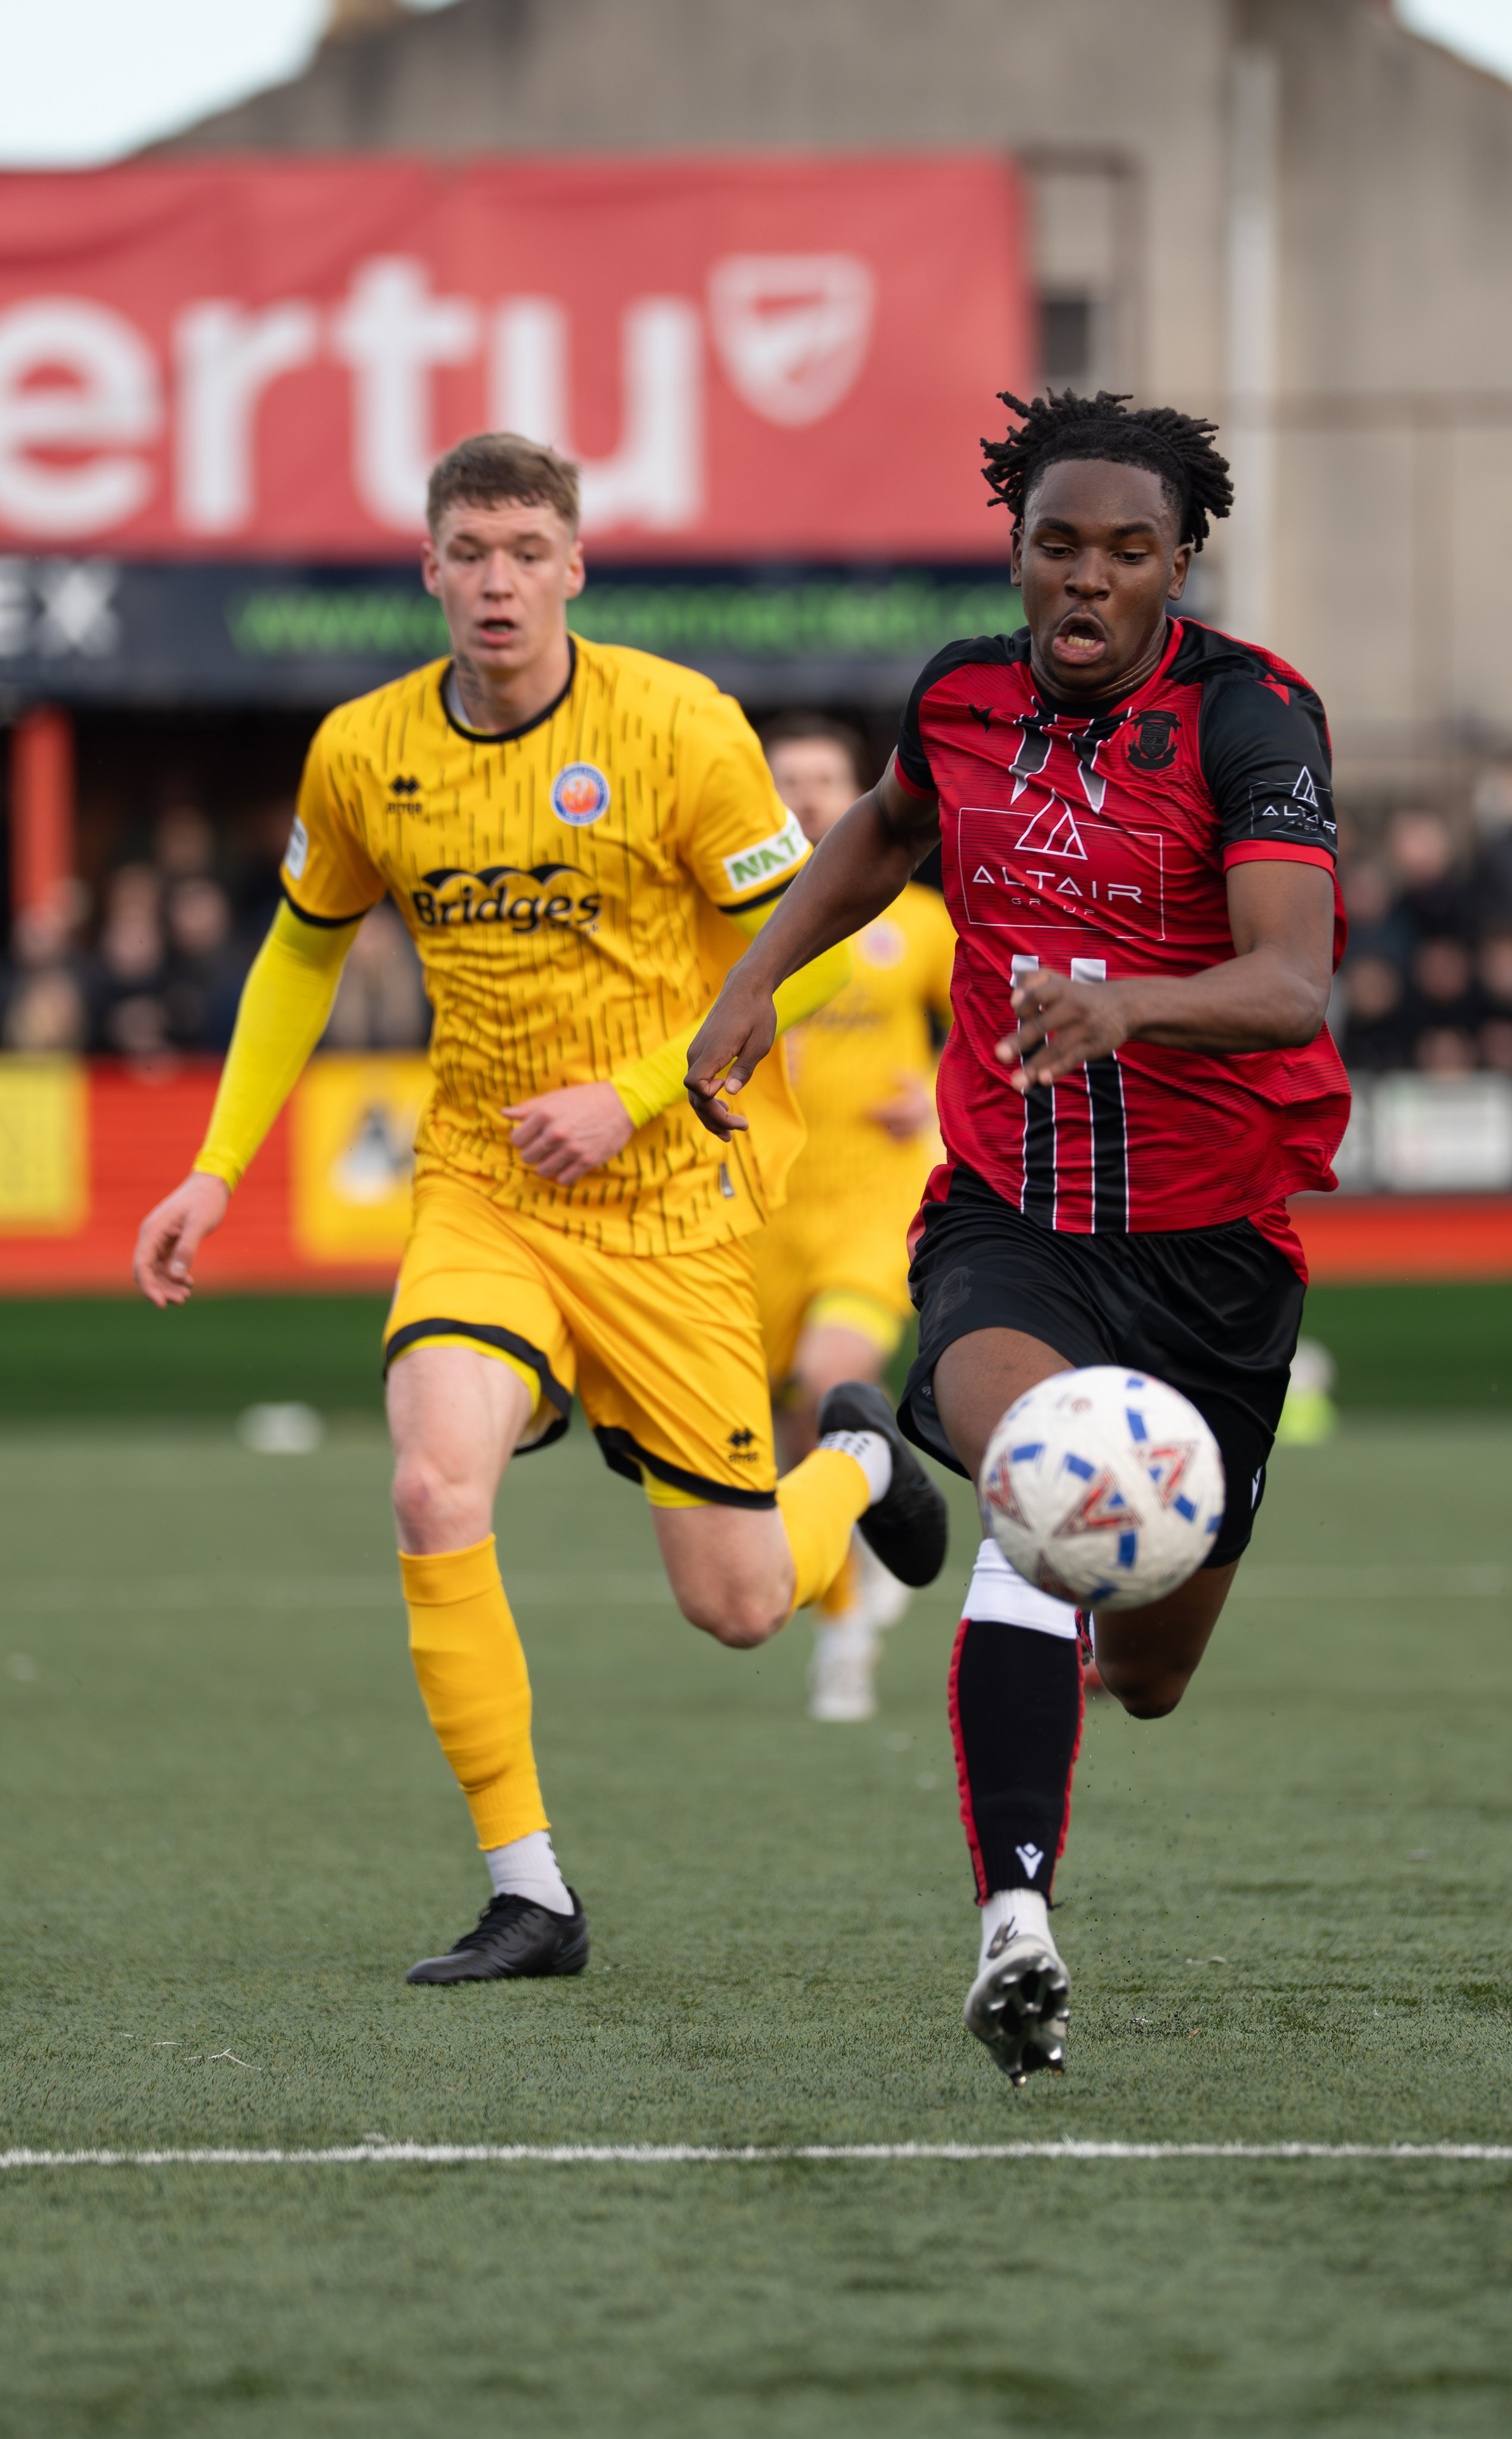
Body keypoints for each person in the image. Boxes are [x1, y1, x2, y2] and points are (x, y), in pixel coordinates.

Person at [133, 431, 946, 1986]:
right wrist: (218, 1165)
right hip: (481, 1192)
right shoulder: (362, 752)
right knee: (436, 1490)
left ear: (575, 565)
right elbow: (303, 951)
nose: (497, 581)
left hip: (667, 1199)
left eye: (525, 551)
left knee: (738, 1603)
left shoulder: (678, 727)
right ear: (427, 568)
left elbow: (823, 942)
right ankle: (532, 1894)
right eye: (469, 552)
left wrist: (635, 1091)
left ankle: (850, 1461)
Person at [688, 388, 1347, 2085]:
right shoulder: (957, 697)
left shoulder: (1256, 720)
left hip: (1216, 1254)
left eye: (1127, 552)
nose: (1084, 579)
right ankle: (1017, 1932)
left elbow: (1291, 981)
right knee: (1045, 1485)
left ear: (1178, 567)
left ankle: (897, 1494)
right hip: (1011, 1217)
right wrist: (756, 984)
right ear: (1017, 551)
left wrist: (1124, 1007)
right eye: (1057, 544)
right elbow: (884, 831)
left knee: (1151, 1668)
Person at [754, 711, 957, 1721]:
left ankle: (842, 1646)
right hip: (757, 1212)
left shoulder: (913, 922)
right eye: (783, 780)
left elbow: (1000, 1027)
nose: (804, 796)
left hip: (873, 1199)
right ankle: (850, 1563)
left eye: (824, 780)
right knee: (783, 1438)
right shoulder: (726, 922)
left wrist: (936, 1090)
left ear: (856, 794)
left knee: (830, 1382)